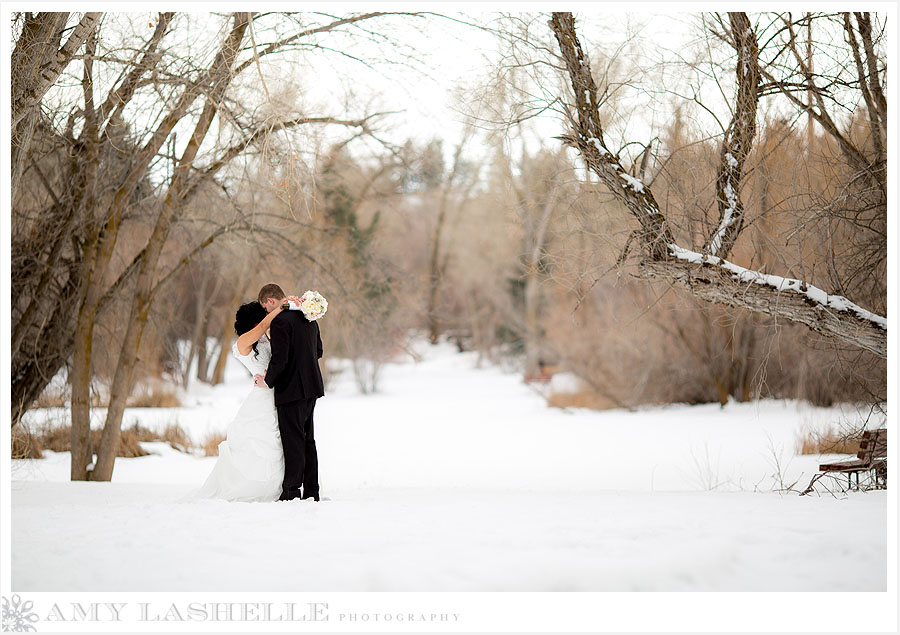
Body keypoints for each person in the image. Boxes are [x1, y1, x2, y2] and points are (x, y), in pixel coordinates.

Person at [183, 300, 291, 503]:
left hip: (277, 396)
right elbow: (261, 327)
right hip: (261, 402)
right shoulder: (242, 342)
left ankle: (277, 486)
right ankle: (255, 487)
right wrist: (280, 307)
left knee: (276, 445)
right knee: (257, 444)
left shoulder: (266, 339)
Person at [254, 283, 325, 502]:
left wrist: (268, 381)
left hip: (291, 389)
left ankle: (292, 491)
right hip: (312, 386)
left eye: (265, 308)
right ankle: (312, 491)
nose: (267, 313)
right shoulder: (308, 317)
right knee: (308, 440)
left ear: (271, 301)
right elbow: (319, 351)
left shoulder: (280, 321)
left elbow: (281, 359)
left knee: (293, 441)